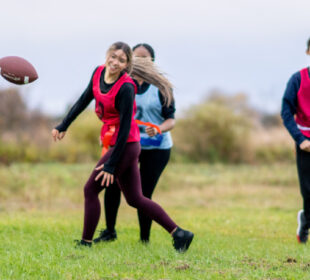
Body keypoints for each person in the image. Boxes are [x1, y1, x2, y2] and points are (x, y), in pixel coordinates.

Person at [52, 42, 194, 252]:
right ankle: (180, 233)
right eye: (113, 56)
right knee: (136, 199)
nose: (115, 62)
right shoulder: (98, 73)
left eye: (121, 60)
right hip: (123, 143)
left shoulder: (126, 87)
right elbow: (84, 100)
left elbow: (127, 127)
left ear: (127, 65)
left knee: (90, 189)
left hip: (127, 145)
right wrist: (63, 125)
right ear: (107, 55)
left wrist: (111, 164)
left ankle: (86, 243)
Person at [94, 43, 176, 244]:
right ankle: (109, 232)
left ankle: (144, 239)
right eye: (136, 56)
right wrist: (106, 133)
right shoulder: (122, 81)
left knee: (143, 194)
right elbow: (112, 114)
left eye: (144, 57)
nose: (139, 60)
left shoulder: (161, 86)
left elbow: (171, 120)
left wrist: (159, 128)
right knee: (110, 183)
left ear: (152, 62)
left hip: (156, 148)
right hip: (128, 145)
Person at [281, 38, 310, 243]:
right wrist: (300, 139)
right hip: (306, 143)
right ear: (308, 52)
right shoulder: (297, 79)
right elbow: (286, 112)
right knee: (308, 192)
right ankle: (305, 220)